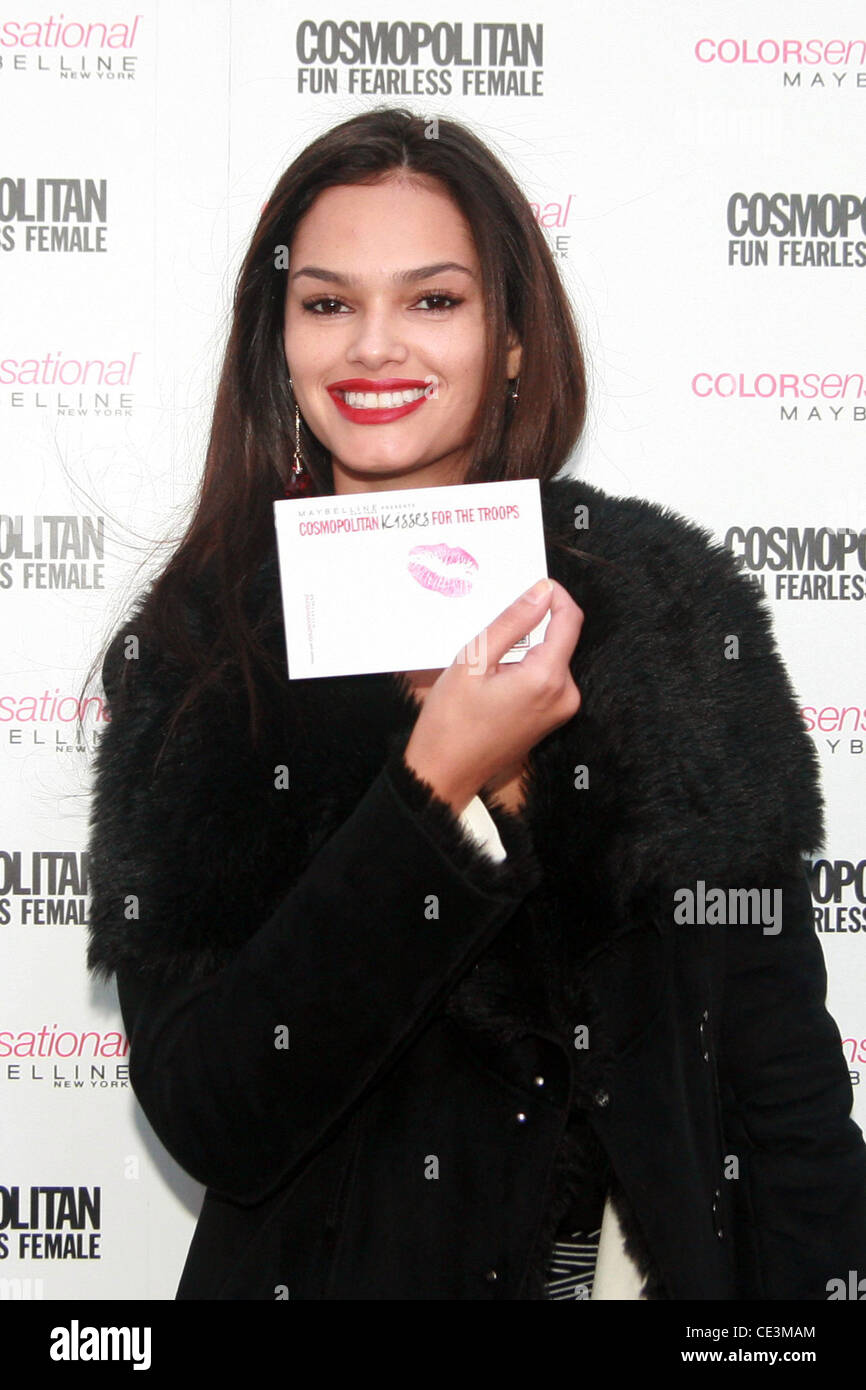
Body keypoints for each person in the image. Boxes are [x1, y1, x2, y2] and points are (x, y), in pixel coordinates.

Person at [85, 106, 866, 1301]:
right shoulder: (199, 663)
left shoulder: (662, 613)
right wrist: (429, 791)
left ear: (509, 336)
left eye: (433, 300)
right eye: (328, 302)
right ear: (278, 344)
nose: (375, 347)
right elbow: (213, 1113)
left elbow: (785, 1098)